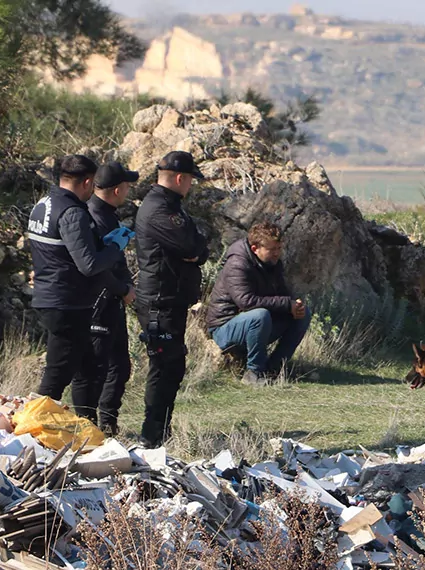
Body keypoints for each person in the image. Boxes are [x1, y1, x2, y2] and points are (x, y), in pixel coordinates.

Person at [27, 155, 132, 411]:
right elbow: (89, 264)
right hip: (67, 302)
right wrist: (114, 247)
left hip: (51, 296)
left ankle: (85, 426)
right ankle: (34, 431)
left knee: (88, 368)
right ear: (87, 182)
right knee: (57, 376)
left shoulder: (43, 204)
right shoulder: (72, 212)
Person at [134, 151, 209, 448]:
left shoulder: (170, 206)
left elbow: (198, 248)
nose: (191, 185)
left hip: (170, 300)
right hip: (159, 302)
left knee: (173, 366)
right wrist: (196, 248)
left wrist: (197, 249)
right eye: (190, 180)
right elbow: (192, 244)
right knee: (165, 367)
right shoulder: (158, 210)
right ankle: (151, 436)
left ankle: (160, 433)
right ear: (180, 178)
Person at [205, 221, 311, 386]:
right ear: (255, 249)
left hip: (256, 325)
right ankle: (254, 372)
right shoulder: (237, 264)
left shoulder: (272, 263)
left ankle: (273, 369)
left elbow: (281, 293)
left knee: (303, 315)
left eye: (279, 248)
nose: (277, 253)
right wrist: (285, 304)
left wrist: (293, 306)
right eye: (272, 250)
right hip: (224, 328)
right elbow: (246, 302)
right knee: (259, 316)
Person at [78, 161, 138, 436]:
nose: (128, 191)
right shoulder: (93, 218)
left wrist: (125, 285)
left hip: (112, 301)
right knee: (96, 368)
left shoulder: (108, 215)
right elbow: (96, 269)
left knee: (119, 367)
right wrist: (123, 289)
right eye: (126, 186)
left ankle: (107, 423)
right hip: (99, 303)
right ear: (116, 190)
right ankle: (88, 427)